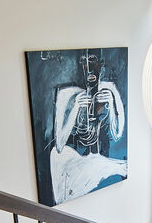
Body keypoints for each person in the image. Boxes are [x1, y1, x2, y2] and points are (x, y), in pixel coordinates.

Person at [50, 49, 126, 204]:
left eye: (92, 59)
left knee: (122, 167)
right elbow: (59, 145)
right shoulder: (66, 94)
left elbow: (118, 134)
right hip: (67, 160)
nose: (88, 67)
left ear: (101, 65)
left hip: (93, 160)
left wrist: (111, 106)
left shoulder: (110, 89)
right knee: (117, 168)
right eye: (83, 61)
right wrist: (75, 109)